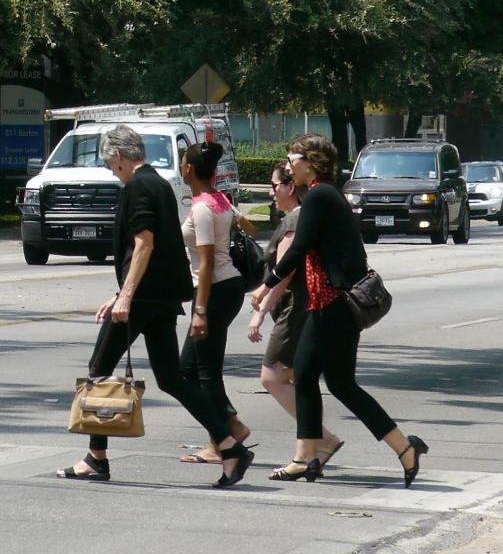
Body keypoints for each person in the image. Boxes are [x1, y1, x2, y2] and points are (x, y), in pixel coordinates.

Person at [56, 124, 253, 489]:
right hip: (161, 297)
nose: (109, 170)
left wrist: (126, 296)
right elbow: (156, 247)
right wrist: (121, 293)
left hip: (144, 298)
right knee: (172, 378)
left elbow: (144, 244)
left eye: (108, 164)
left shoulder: (138, 187)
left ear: (117, 155)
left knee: (98, 368)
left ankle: (96, 458)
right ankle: (229, 447)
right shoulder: (159, 184)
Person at [251, 133, 427, 486]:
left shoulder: (320, 195)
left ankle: (402, 447)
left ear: (310, 162)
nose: (289, 166)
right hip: (326, 303)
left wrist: (266, 285)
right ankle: (308, 457)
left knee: (337, 383)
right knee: (311, 376)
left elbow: (299, 249)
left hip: (334, 303)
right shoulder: (323, 195)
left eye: (292, 159)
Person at [246, 162, 342, 469]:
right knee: (301, 379)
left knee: (272, 377)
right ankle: (311, 448)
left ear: (290, 187)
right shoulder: (295, 218)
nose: (271, 193)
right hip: (298, 308)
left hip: (294, 310)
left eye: (274, 186)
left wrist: (259, 312)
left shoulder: (295, 221)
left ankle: (322, 439)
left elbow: (283, 274)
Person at [177, 141, 250, 465]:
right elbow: (250, 225)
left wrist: (200, 311)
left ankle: (220, 441)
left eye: (182, 162)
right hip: (226, 286)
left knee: (204, 372)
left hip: (214, 290)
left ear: (189, 169)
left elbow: (206, 263)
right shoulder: (219, 201)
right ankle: (230, 426)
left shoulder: (204, 208)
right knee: (189, 371)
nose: (181, 167)